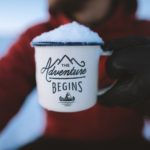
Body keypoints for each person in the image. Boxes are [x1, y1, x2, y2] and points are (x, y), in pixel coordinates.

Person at [1, 0, 150, 149]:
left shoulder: (144, 35)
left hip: (129, 142)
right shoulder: (39, 37)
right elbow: (4, 85)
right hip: (54, 143)